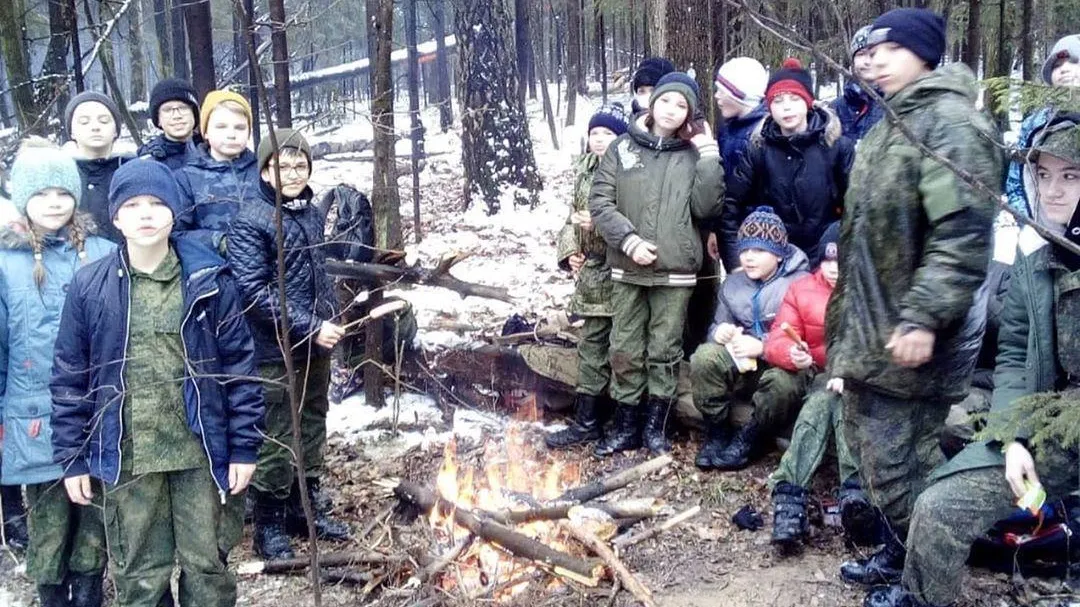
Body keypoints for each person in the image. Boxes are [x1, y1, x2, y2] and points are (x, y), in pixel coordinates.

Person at [863, 115, 1080, 607]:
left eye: (1071, 176)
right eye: (1044, 175)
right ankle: (920, 595)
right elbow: (1014, 356)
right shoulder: (1034, 256)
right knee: (939, 503)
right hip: (1045, 428)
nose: (1054, 191)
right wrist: (1014, 438)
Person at [825, 8, 1001, 590]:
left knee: (902, 466)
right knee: (878, 459)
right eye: (865, 51)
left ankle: (926, 580)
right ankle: (904, 553)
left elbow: (962, 235)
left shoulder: (949, 125)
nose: (869, 60)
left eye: (887, 48)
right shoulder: (893, 122)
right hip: (876, 331)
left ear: (924, 53)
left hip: (915, 336)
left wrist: (924, 316)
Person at [51, 159, 265, 607]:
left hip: (200, 455)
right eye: (132, 204)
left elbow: (240, 369)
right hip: (130, 458)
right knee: (138, 575)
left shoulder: (209, 281)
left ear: (175, 212)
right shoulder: (90, 287)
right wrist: (72, 457)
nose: (145, 213)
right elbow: (71, 378)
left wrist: (244, 446)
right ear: (115, 217)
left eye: (156, 203)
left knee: (207, 566)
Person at [226, 129, 350, 560]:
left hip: (316, 342)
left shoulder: (312, 213)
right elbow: (252, 291)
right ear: (264, 169)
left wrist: (330, 316)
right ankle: (269, 523)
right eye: (282, 165)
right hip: (274, 348)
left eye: (301, 165)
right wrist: (310, 326)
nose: (293, 173)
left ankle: (305, 505)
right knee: (278, 432)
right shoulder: (251, 219)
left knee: (313, 419)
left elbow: (316, 271)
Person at [0, 139, 114, 606]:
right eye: (42, 193)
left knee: (94, 517)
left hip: (97, 409)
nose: (54, 203)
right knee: (48, 522)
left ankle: (89, 592)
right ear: (22, 198)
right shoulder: (6, 264)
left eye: (63, 193)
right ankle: (51, 593)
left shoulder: (105, 252)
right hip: (34, 415)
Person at [590, 72, 724, 456]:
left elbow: (707, 207)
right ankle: (625, 425)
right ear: (652, 103)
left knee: (664, 350)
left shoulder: (694, 154)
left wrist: (709, 155)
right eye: (666, 101)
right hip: (628, 266)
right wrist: (628, 240)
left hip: (677, 269)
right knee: (625, 347)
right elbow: (600, 201)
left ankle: (656, 427)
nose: (671, 110)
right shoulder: (622, 148)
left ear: (689, 114)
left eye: (681, 106)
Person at [763, 223, 874, 548]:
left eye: (842, 261)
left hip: (864, 382)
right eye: (827, 261)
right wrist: (792, 354)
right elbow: (776, 340)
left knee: (838, 399)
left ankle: (841, 496)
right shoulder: (801, 289)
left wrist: (850, 370)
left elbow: (882, 346)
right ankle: (797, 498)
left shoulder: (873, 293)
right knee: (822, 400)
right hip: (819, 377)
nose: (833, 269)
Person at [690, 207, 810, 470]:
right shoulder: (733, 285)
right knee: (704, 358)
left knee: (782, 382)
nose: (748, 258)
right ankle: (717, 431)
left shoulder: (802, 284)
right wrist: (719, 332)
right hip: (744, 367)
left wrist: (763, 346)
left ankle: (753, 437)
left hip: (783, 367)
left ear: (778, 254)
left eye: (758, 251)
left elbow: (807, 340)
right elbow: (717, 326)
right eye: (744, 250)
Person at [720, 58, 855, 272]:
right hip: (772, 265)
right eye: (778, 101)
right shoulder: (758, 149)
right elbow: (730, 207)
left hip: (826, 263)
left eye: (794, 98)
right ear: (769, 106)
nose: (786, 107)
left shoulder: (837, 147)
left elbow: (855, 208)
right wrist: (735, 264)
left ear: (808, 102)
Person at [549, 104, 629, 450]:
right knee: (591, 343)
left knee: (624, 346)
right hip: (592, 272)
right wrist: (570, 252)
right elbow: (570, 216)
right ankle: (587, 421)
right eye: (595, 133)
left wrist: (600, 226)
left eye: (608, 134)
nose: (599, 140)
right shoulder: (583, 169)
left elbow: (634, 218)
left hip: (621, 268)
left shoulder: (629, 171)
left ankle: (624, 419)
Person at [1003, 34, 1080, 218]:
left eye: (1073, 62)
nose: (1064, 70)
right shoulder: (1037, 122)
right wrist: (1031, 225)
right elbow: (1017, 179)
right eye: (1057, 66)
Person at [173, 90, 260, 250]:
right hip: (213, 266)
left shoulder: (263, 171)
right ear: (206, 131)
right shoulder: (186, 178)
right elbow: (176, 233)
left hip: (264, 265)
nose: (231, 135)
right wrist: (221, 241)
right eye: (221, 127)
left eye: (240, 128)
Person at [65, 91, 130, 243]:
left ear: (116, 130)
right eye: (84, 122)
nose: (95, 127)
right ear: (72, 132)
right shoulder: (60, 174)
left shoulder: (133, 170)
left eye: (104, 120)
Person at [831, 25, 886, 142]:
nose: (868, 61)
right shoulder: (836, 109)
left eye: (873, 54)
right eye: (861, 54)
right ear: (853, 61)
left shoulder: (897, 103)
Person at [137, 78, 202, 170]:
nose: (177, 116)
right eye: (167, 110)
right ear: (158, 119)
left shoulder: (213, 150)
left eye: (183, 108)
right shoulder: (147, 163)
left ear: (194, 114)